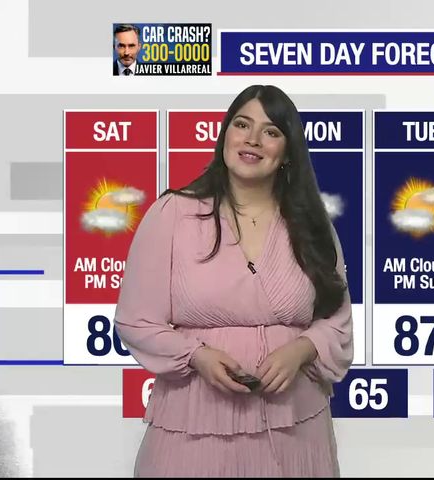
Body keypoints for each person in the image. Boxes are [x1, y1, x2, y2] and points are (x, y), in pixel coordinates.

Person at [114, 84, 353, 477]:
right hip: (193, 426)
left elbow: (337, 320)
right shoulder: (172, 214)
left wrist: (303, 349)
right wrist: (196, 356)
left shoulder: (312, 226)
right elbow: (136, 321)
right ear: (225, 134)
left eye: (271, 131)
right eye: (242, 125)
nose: (252, 139)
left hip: (296, 429)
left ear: (287, 152)